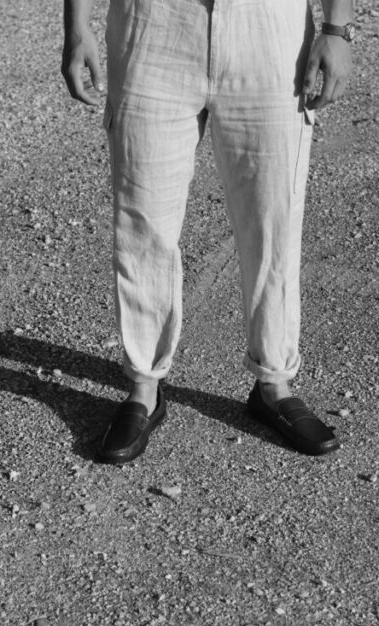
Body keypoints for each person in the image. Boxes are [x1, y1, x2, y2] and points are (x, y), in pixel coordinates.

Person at [61, 0, 354, 464]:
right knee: (144, 220)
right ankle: (143, 388)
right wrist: (77, 27)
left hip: (268, 31)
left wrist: (337, 29)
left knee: (272, 219)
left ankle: (274, 384)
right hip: (153, 27)